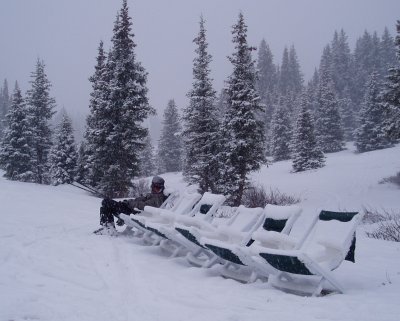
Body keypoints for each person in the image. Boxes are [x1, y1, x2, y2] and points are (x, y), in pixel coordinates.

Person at [95, 176, 167, 235]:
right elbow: (138, 200)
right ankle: (108, 228)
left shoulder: (158, 199)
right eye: (153, 186)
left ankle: (108, 228)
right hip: (131, 209)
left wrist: (129, 203)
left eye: (157, 188)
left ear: (162, 188)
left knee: (106, 202)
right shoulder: (153, 195)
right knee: (106, 205)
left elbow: (143, 206)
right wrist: (127, 202)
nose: (154, 189)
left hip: (133, 212)